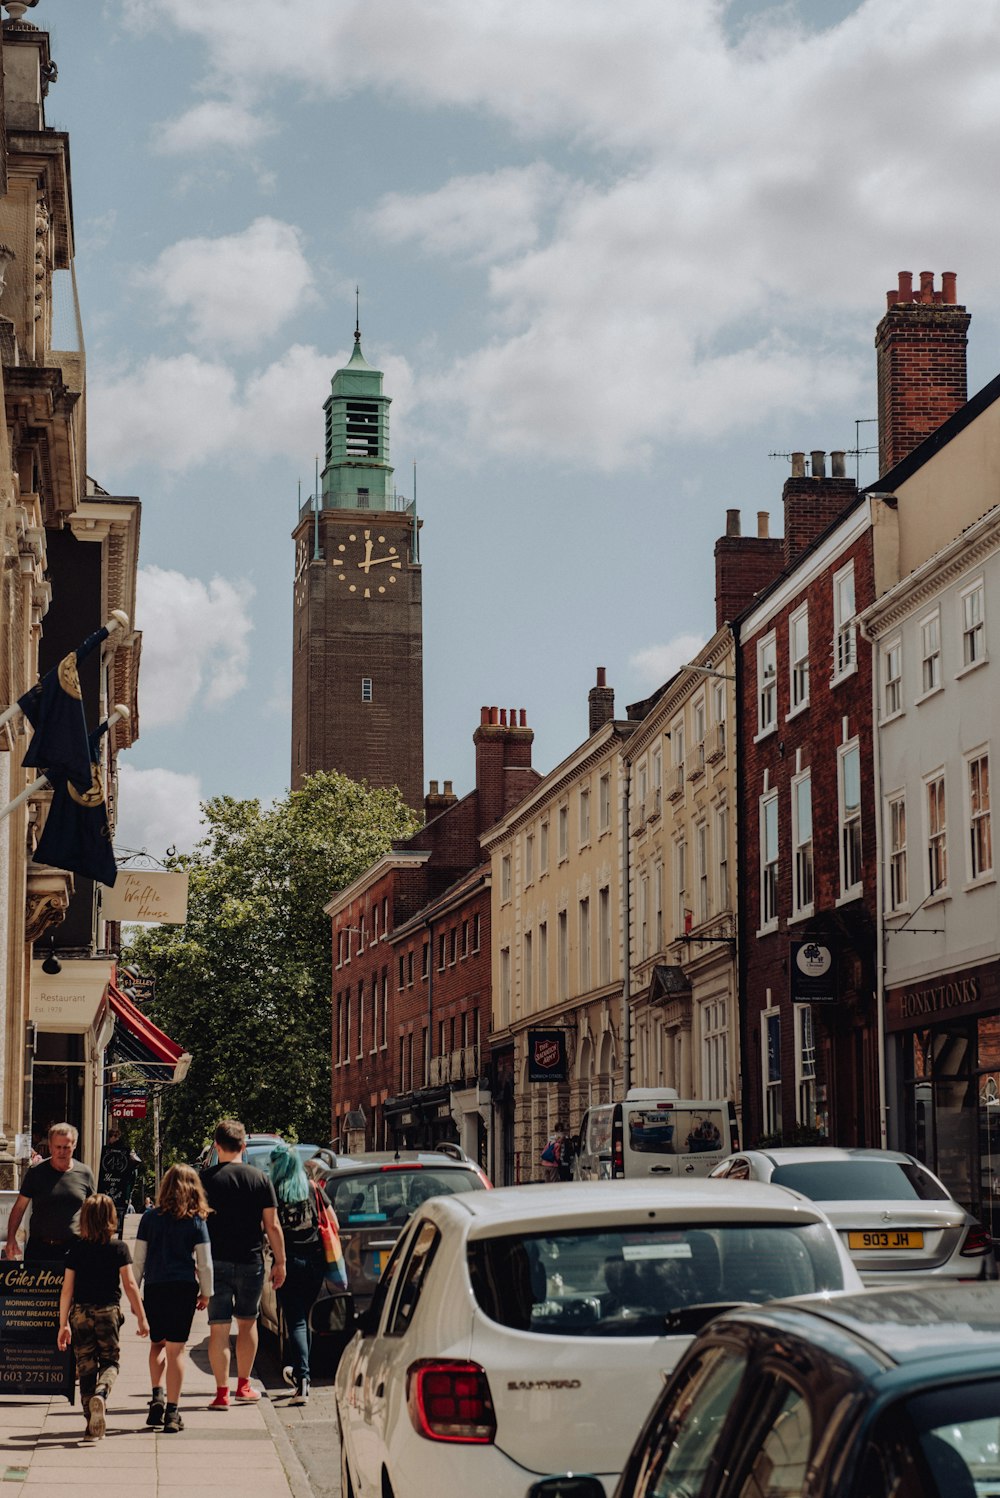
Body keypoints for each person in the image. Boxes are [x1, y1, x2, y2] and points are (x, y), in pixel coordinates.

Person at [202, 1118, 285, 1410]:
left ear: (216, 1145)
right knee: (248, 1322)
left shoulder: (205, 1180)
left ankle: (221, 1392)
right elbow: (272, 1225)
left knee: (218, 1328)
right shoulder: (259, 1179)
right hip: (250, 1262)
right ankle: (244, 1385)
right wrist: (280, 1262)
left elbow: (195, 1222)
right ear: (243, 1146)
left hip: (215, 1263)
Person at [56, 1194, 148, 1443]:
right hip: (108, 1311)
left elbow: (67, 1289)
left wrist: (63, 1323)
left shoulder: (76, 1248)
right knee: (110, 1362)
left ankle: (90, 1426)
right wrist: (141, 1317)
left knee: (85, 1366)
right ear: (111, 1218)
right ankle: (102, 1393)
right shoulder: (118, 1248)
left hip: (80, 1313)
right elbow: (130, 1284)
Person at [132, 1164, 213, 1435]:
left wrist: (134, 1293)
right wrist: (206, 1292)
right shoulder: (196, 1221)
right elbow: (204, 1263)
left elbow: (139, 1260)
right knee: (177, 1350)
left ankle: (157, 1396)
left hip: (155, 1287)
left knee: (157, 1345)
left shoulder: (149, 1218)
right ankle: (173, 1412)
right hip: (182, 1288)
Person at [268, 1142, 333, 1403]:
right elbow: (333, 1221)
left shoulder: (273, 1193)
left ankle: (303, 1381)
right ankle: (301, 1375)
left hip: (287, 1262)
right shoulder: (312, 1188)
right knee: (303, 1319)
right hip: (316, 1261)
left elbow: (269, 1228)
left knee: (294, 1320)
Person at [4, 1122, 95, 1262]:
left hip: (74, 1249)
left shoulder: (85, 1173)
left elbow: (93, 1211)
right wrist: (11, 1239)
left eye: (66, 1147)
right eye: (58, 1147)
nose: (62, 1152)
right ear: (50, 1146)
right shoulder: (36, 1172)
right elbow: (19, 1208)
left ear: (74, 1146)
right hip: (40, 1249)